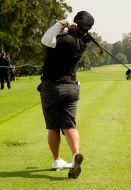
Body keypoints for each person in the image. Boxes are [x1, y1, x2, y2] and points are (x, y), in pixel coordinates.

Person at [39, 11, 103, 179]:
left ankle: (57, 159)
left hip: (52, 87)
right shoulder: (82, 42)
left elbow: (46, 39)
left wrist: (62, 23)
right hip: (72, 88)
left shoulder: (65, 40)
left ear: (76, 23)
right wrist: (70, 26)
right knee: (69, 126)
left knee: (53, 127)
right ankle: (75, 156)